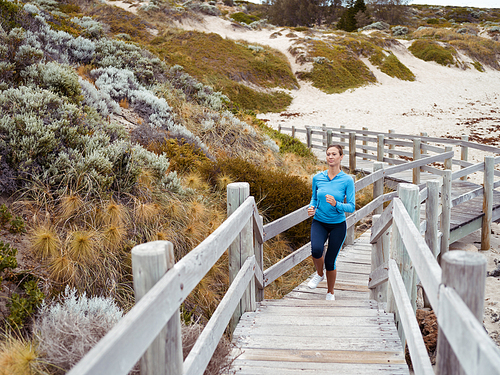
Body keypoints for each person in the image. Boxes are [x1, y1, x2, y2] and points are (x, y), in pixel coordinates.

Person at [307, 144, 355, 301]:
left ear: (341, 157)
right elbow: (314, 197)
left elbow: (351, 207)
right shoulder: (317, 178)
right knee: (316, 250)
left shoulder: (347, 180)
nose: (331, 157)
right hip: (319, 221)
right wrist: (311, 207)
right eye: (328, 154)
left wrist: (337, 204)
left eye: (334, 154)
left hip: (337, 225)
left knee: (330, 260)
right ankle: (319, 274)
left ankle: (330, 292)